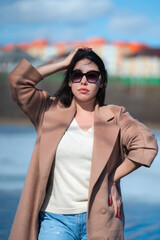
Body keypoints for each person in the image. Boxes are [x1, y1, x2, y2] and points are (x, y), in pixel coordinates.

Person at [8, 47, 158, 240]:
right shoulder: (48, 112)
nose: (84, 81)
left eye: (92, 76)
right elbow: (18, 82)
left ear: (101, 82)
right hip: (55, 219)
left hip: (100, 221)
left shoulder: (115, 117)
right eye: (77, 75)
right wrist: (64, 63)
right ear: (70, 81)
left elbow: (147, 145)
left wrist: (112, 178)